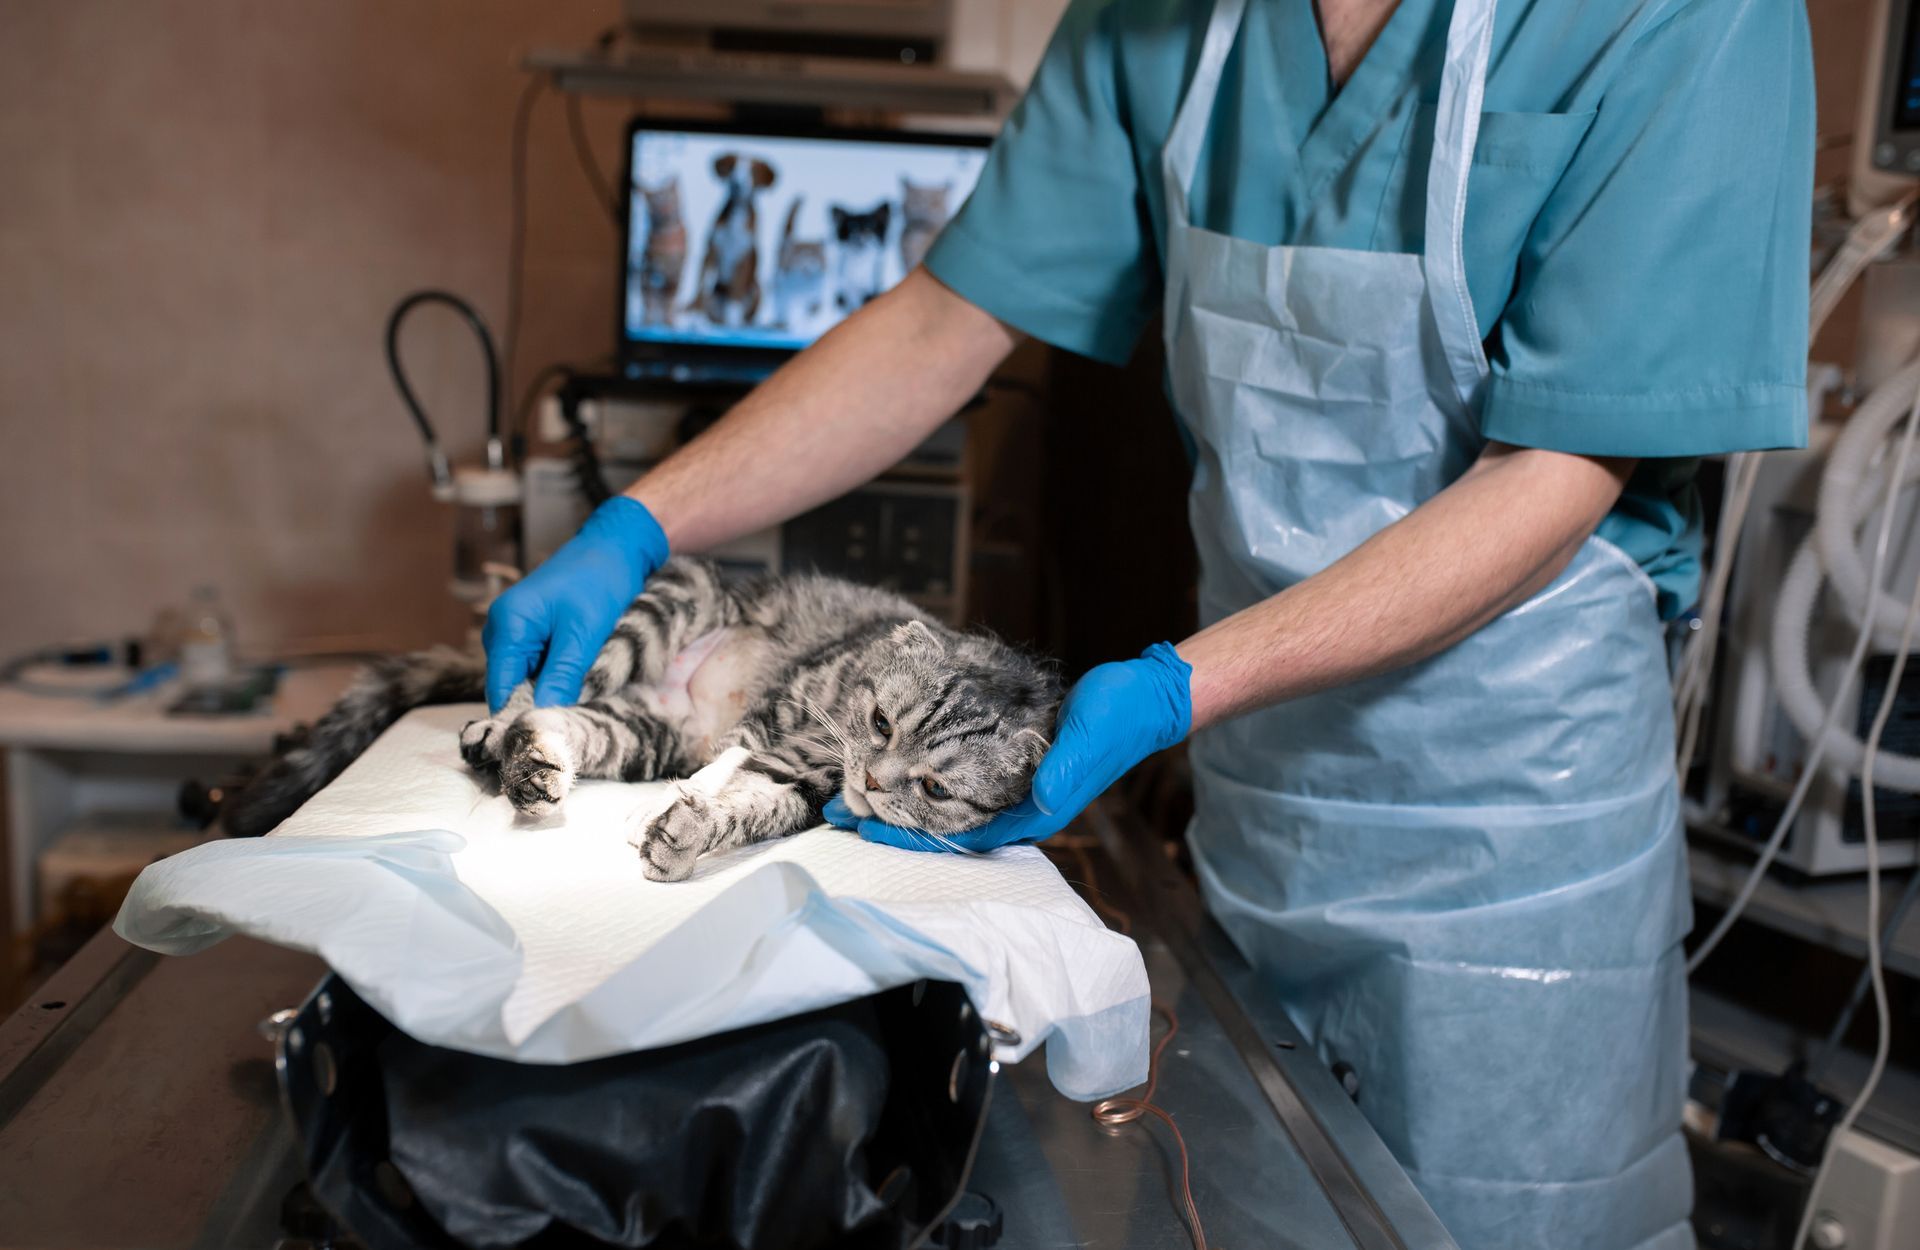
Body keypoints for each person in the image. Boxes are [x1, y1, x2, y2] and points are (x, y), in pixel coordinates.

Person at [485, 1, 1812, 1244]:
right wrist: (642, 523)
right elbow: (951, 319)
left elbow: (1557, 477)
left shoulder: (1684, 20)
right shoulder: (1165, 20)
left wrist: (1181, 686)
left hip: (1521, 837)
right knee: (1251, 1194)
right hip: (1261, 793)